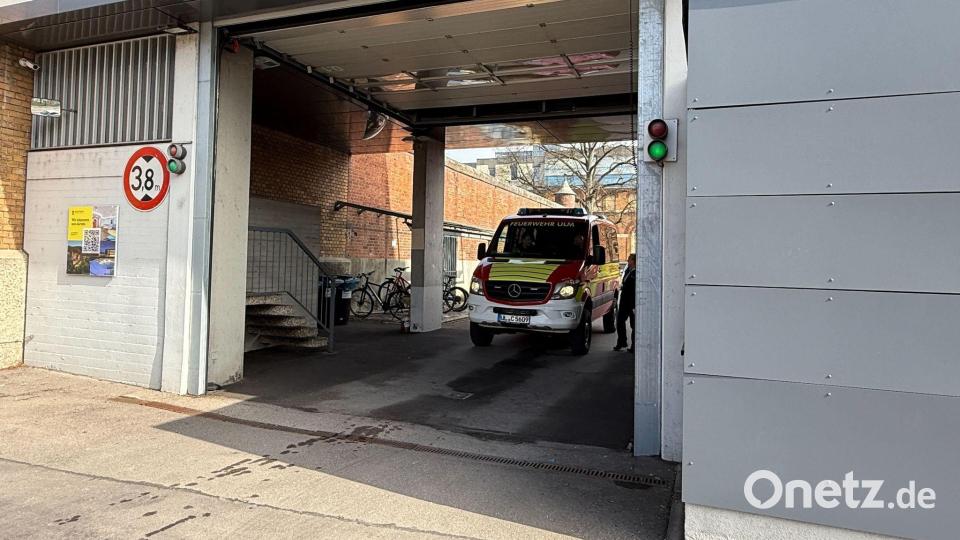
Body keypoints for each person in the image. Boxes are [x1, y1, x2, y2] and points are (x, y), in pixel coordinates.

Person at [614, 253, 636, 352]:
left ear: (634, 261)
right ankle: (622, 341)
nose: (628, 261)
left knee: (634, 325)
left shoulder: (636, 273)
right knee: (619, 322)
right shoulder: (628, 270)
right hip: (624, 302)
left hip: (632, 303)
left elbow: (634, 289)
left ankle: (634, 346)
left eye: (629, 260)